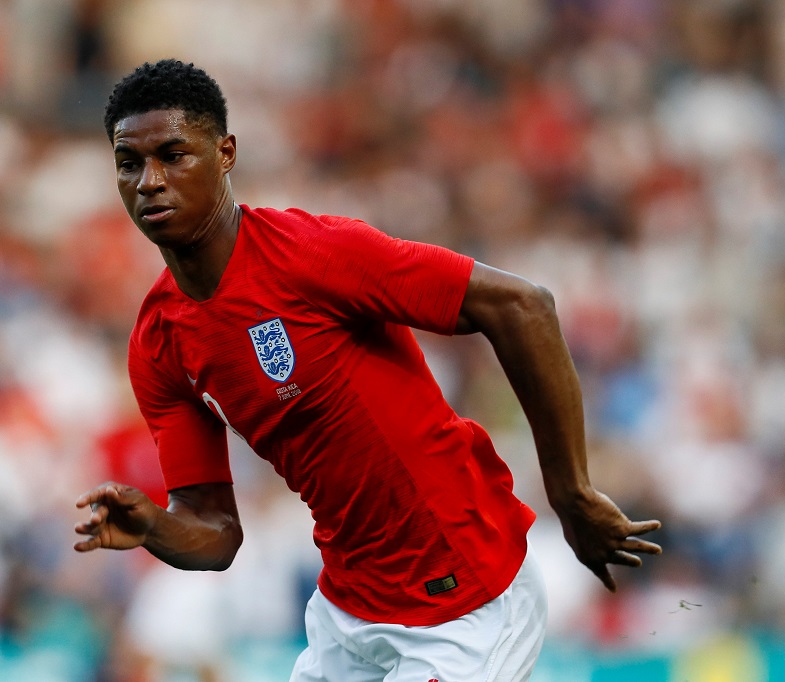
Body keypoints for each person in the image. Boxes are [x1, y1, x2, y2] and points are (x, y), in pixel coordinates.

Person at [74, 59, 662, 682]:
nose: (150, 181)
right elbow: (215, 534)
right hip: (349, 614)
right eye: (129, 163)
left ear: (225, 153)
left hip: (467, 599)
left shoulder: (312, 255)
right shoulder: (159, 342)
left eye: (173, 154)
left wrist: (570, 493)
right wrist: (154, 527)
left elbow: (522, 305)